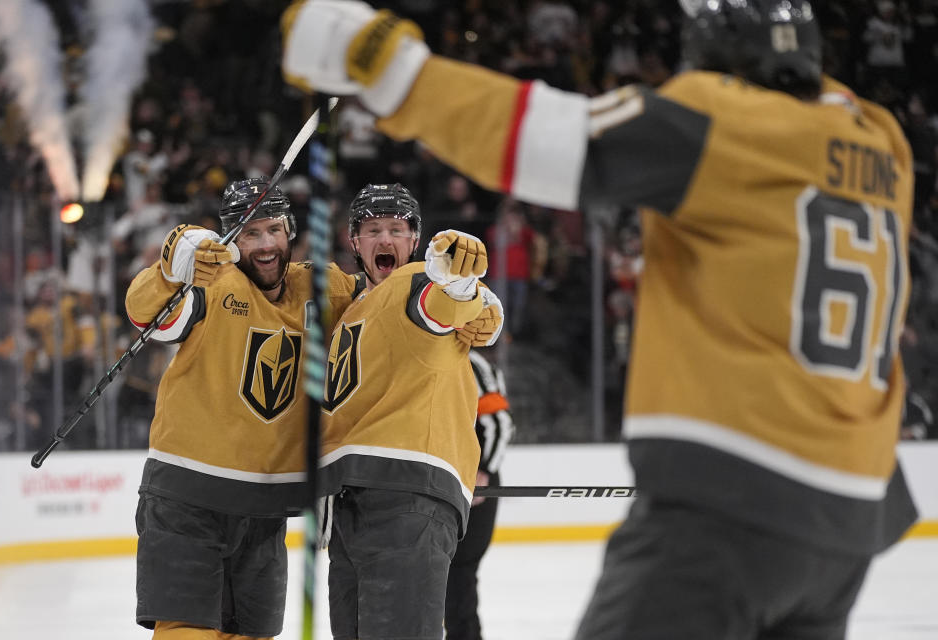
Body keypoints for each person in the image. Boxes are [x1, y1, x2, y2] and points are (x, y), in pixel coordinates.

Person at [281, 1, 920, 639]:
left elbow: (542, 138)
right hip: (852, 514)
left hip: (732, 500)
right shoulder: (881, 139)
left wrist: (391, 68)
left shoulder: (724, 121)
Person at [124, 177, 364, 639]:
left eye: (273, 229)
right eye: (250, 233)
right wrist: (172, 270)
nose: (266, 244)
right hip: (188, 494)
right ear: (232, 241)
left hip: (264, 505)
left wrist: (460, 299)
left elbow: (386, 300)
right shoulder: (213, 282)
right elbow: (148, 317)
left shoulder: (321, 286)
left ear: (290, 231)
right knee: (184, 632)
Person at [317, 182, 502, 640]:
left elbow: (440, 304)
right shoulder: (349, 311)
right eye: (372, 229)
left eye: (397, 230)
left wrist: (461, 285)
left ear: (414, 240)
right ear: (354, 242)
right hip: (352, 500)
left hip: (407, 495)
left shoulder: (416, 279)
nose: (385, 240)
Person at [445, 347, 516, 640]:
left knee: (459, 571)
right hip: (438, 476)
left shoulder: (469, 362)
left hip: (471, 480)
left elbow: (499, 422)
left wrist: (482, 468)